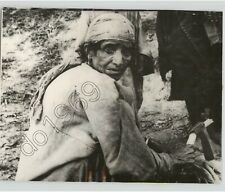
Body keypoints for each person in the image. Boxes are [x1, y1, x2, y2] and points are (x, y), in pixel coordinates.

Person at [16, 13, 217, 182]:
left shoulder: (69, 73)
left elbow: (105, 134)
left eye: (127, 52)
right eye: (109, 50)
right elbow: (131, 166)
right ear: (90, 52)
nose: (119, 61)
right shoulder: (102, 88)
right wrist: (173, 161)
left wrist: (146, 145)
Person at [156, 11, 222, 144]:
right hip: (182, 36)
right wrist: (165, 61)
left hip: (212, 34)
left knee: (215, 79)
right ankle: (198, 125)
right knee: (188, 80)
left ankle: (216, 125)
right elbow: (164, 29)